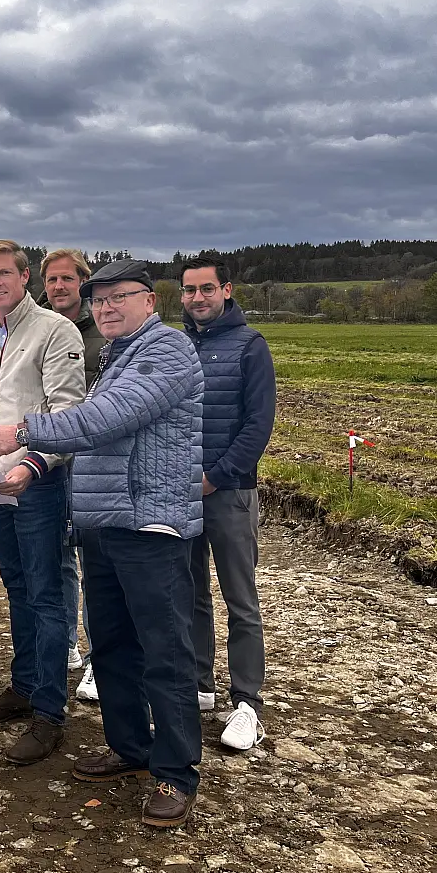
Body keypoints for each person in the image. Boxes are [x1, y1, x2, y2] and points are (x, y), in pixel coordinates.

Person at [0, 257, 206, 828]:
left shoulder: (167, 351)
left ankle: (175, 773)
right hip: (104, 525)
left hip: (150, 526)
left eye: (119, 297)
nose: (106, 307)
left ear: (150, 302)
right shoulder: (117, 358)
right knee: (112, 647)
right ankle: (130, 748)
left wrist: (25, 430)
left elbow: (108, 417)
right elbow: (96, 424)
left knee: (164, 651)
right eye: (99, 299)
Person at [0, 240, 85, 765]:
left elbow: (69, 413)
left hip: (37, 485)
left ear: (25, 276)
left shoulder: (56, 332)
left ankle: (50, 715)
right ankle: (25, 685)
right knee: (17, 587)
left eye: (5, 273)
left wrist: (31, 462)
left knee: (47, 594)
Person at [180, 253, 276, 752]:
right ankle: (200, 685)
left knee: (240, 598)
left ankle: (248, 703)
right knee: (191, 592)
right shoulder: (174, 347)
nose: (197, 298)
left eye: (206, 289)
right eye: (189, 290)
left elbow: (257, 426)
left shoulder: (249, 347)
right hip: (182, 494)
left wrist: (215, 478)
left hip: (231, 492)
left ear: (227, 290)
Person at [39, 248, 104, 700]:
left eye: (67, 279)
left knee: (96, 563)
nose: (59, 287)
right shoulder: (41, 329)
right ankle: (65, 644)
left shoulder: (105, 332)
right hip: (50, 460)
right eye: (51, 280)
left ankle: (102, 659)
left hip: (95, 466)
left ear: (84, 281)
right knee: (58, 558)